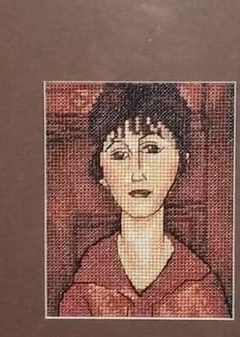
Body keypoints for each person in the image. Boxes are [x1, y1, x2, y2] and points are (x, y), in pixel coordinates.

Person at [58, 82, 230, 318]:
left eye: (151, 149)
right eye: (119, 154)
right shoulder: (85, 288)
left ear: (181, 161)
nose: (137, 173)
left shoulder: (202, 290)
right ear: (101, 171)